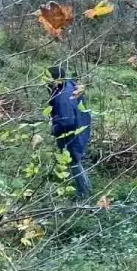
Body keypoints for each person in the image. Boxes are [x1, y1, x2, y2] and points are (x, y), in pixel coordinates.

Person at [46, 66, 92, 200]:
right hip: (81, 126)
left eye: (47, 79)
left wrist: (54, 130)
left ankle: (83, 195)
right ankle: (86, 189)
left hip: (72, 134)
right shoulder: (70, 85)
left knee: (74, 162)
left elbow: (67, 121)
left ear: (54, 80)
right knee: (76, 161)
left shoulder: (63, 97)